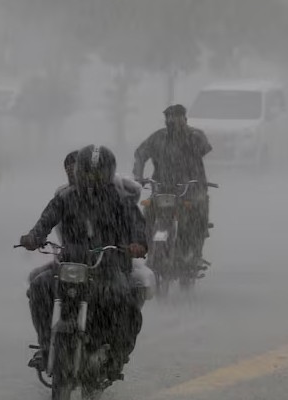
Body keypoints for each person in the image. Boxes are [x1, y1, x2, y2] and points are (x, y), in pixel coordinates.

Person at [20, 145, 148, 380]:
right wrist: (33, 236)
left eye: (97, 173)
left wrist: (138, 243)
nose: (91, 178)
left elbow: (138, 226)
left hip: (107, 267)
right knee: (39, 287)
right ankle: (46, 345)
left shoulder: (121, 201)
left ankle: (116, 355)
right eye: (87, 172)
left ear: (108, 173)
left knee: (126, 303)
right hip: (69, 265)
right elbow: (46, 220)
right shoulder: (65, 198)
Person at [132, 104, 212, 262]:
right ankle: (146, 248)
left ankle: (193, 253)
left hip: (191, 188)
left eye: (176, 117)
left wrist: (186, 138)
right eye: (169, 117)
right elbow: (141, 154)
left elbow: (202, 148)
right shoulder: (158, 137)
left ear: (185, 118)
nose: (172, 120)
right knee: (148, 213)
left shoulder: (195, 136)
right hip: (162, 188)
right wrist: (139, 177)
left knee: (197, 215)